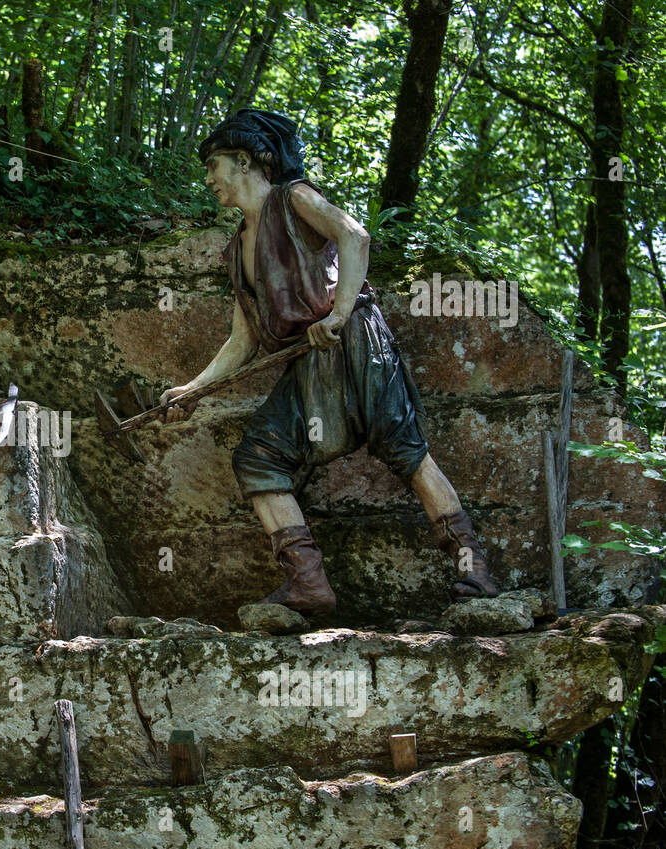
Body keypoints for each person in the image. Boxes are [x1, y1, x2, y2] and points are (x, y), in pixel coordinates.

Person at [161, 109, 500, 615]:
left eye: (215, 165)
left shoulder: (293, 198)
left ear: (246, 161)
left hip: (355, 343)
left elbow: (355, 237)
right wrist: (193, 389)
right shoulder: (236, 252)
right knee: (259, 457)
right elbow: (243, 339)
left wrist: (339, 313)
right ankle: (308, 584)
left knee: (405, 449)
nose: (209, 179)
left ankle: (475, 573)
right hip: (308, 361)